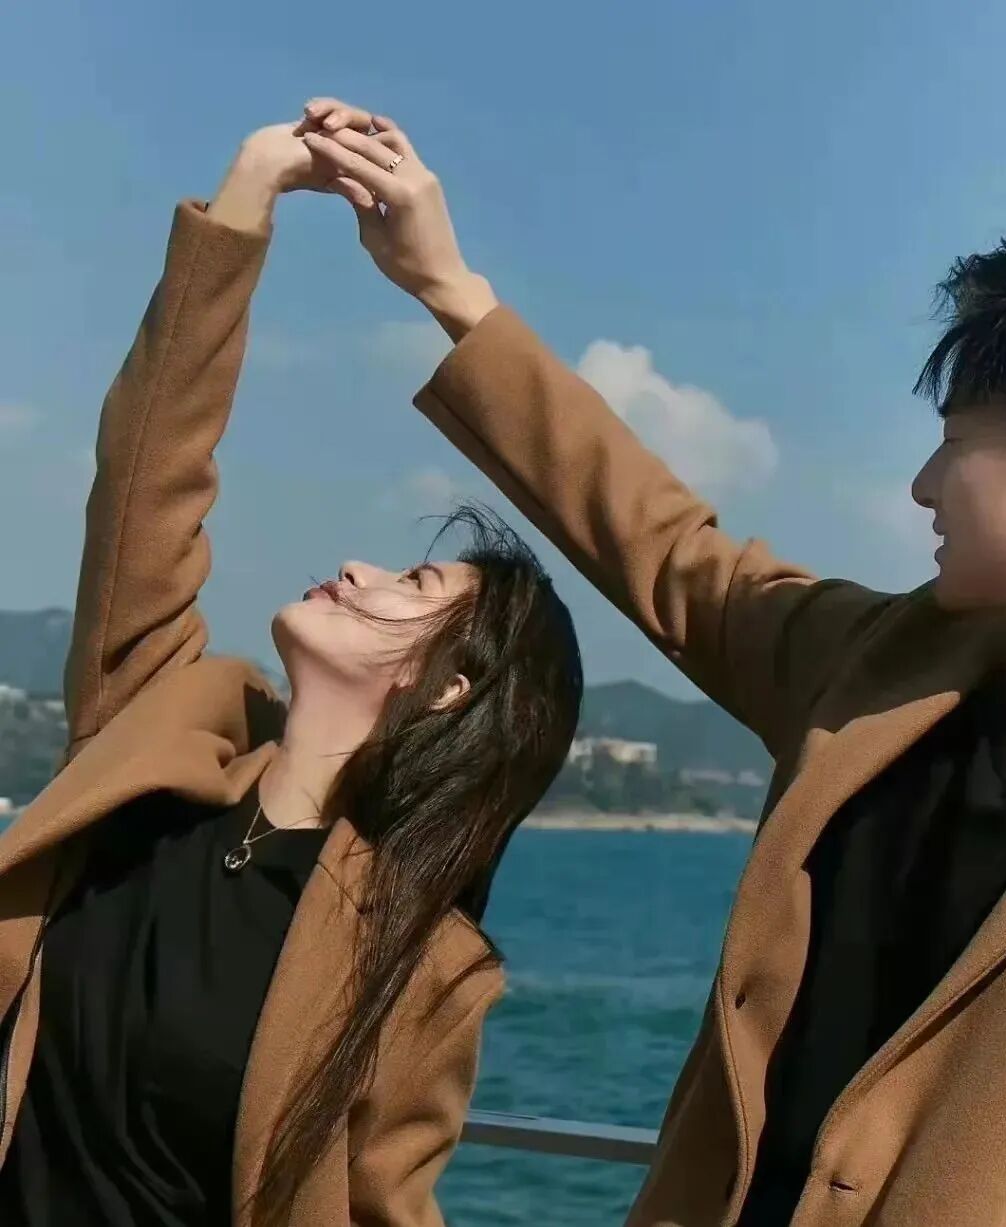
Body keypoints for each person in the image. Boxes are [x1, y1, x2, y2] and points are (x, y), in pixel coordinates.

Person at [301, 101, 1006, 1226]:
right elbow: (666, 549)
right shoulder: (879, 666)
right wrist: (449, 288)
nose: (921, 485)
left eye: (955, 441)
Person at [0, 103, 583, 1227]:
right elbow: (149, 474)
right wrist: (251, 193)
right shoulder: (156, 738)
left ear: (449, 688)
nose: (360, 566)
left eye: (414, 584)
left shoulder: (418, 960)